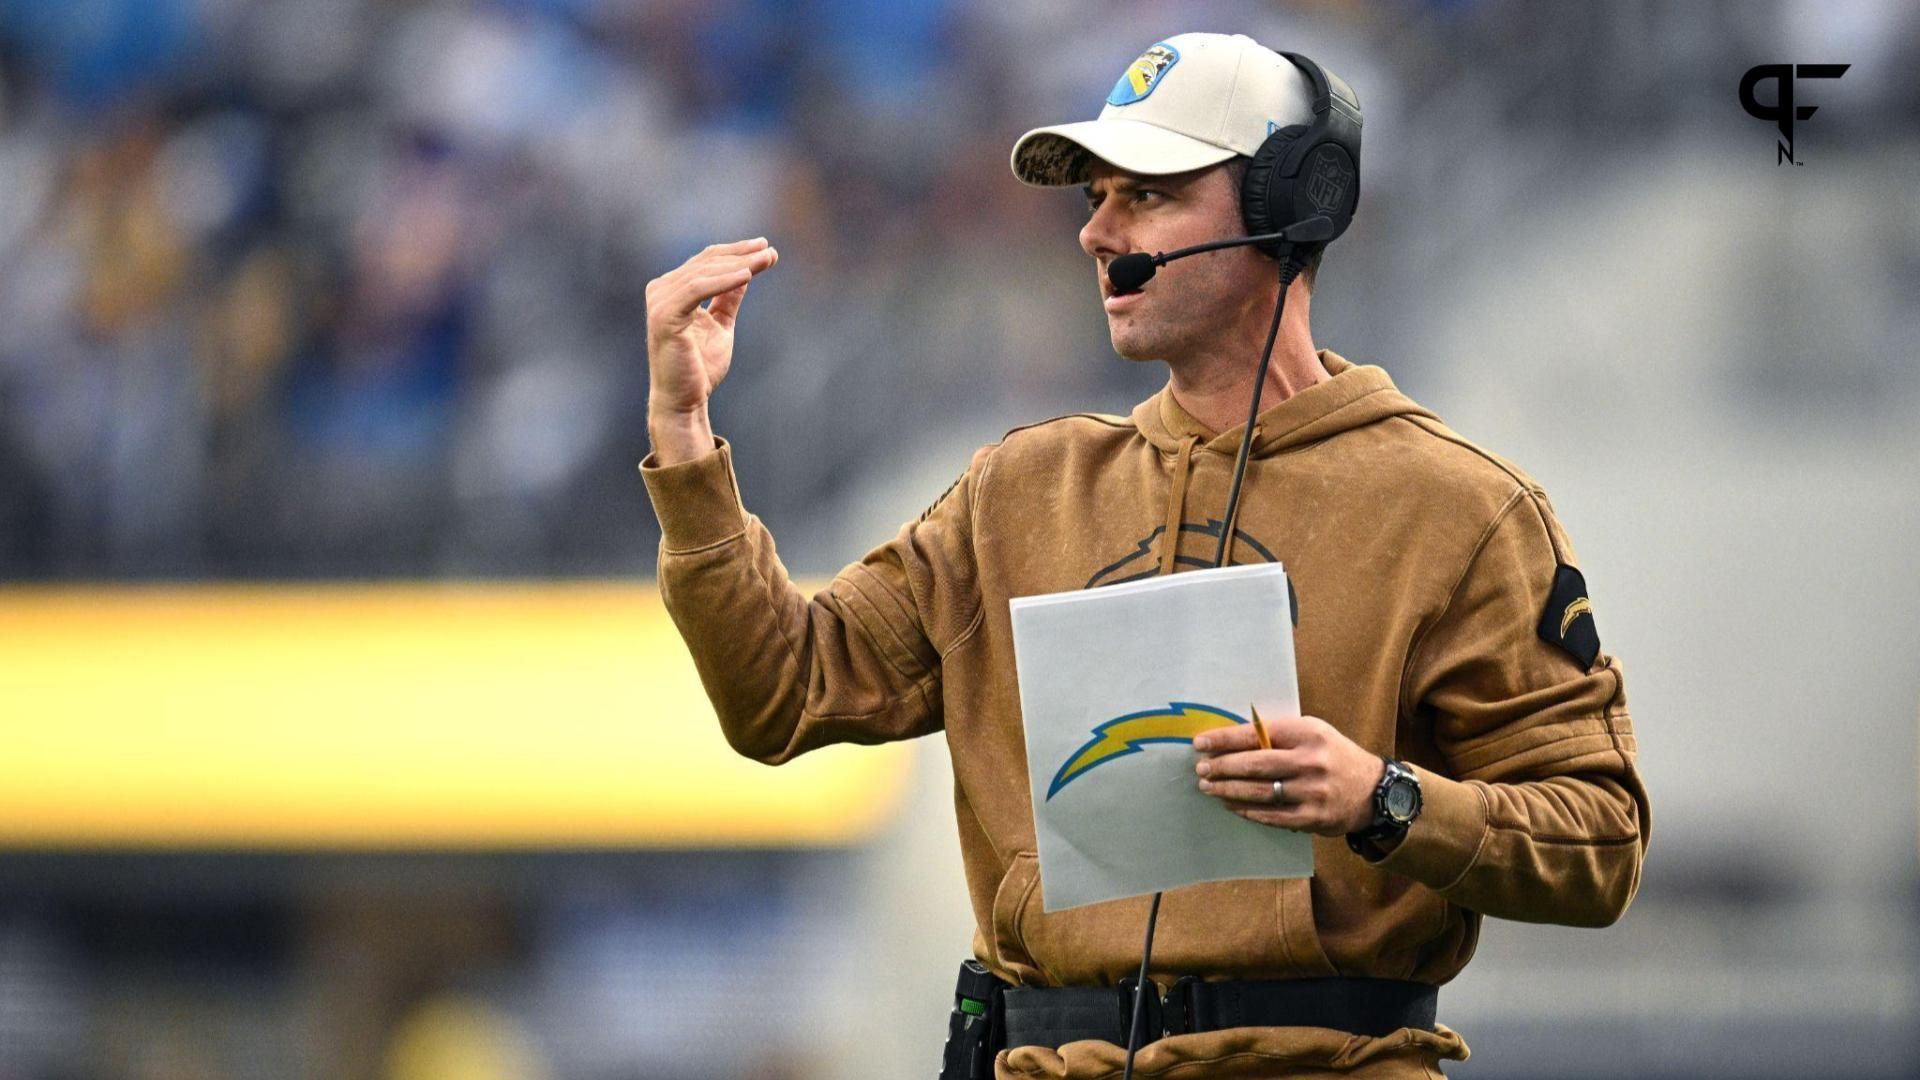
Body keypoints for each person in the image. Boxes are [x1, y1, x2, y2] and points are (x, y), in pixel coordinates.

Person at [639, 32, 1650, 1080]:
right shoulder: (1013, 494)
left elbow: (1600, 844)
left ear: (1289, 204)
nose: (1096, 233)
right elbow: (781, 696)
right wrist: (684, 435)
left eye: (1147, 195)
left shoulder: (1461, 510)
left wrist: (1382, 799)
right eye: (1094, 198)